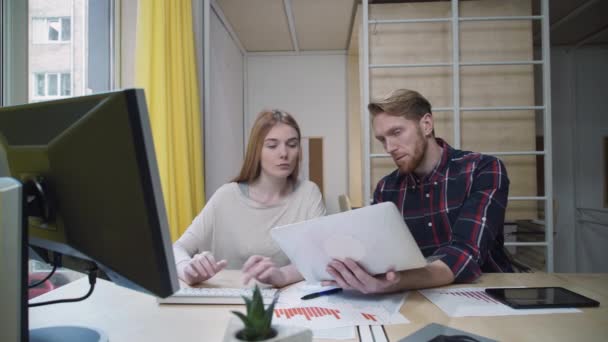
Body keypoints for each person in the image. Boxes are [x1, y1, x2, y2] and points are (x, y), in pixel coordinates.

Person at [324, 89, 513, 294]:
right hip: (417, 295)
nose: (389, 147)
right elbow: (375, 253)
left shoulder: (483, 169)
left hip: (486, 294)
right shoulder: (386, 189)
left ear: (426, 125)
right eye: (382, 139)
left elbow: (465, 254)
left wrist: (393, 283)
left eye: (396, 132)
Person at [173, 110, 326, 287]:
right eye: (272, 145)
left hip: (287, 304)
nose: (284, 153)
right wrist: (187, 270)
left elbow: (319, 256)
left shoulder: (308, 193)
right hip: (231, 300)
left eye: (292, 144)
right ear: (256, 150)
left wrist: (281, 276)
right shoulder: (226, 196)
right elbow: (177, 248)